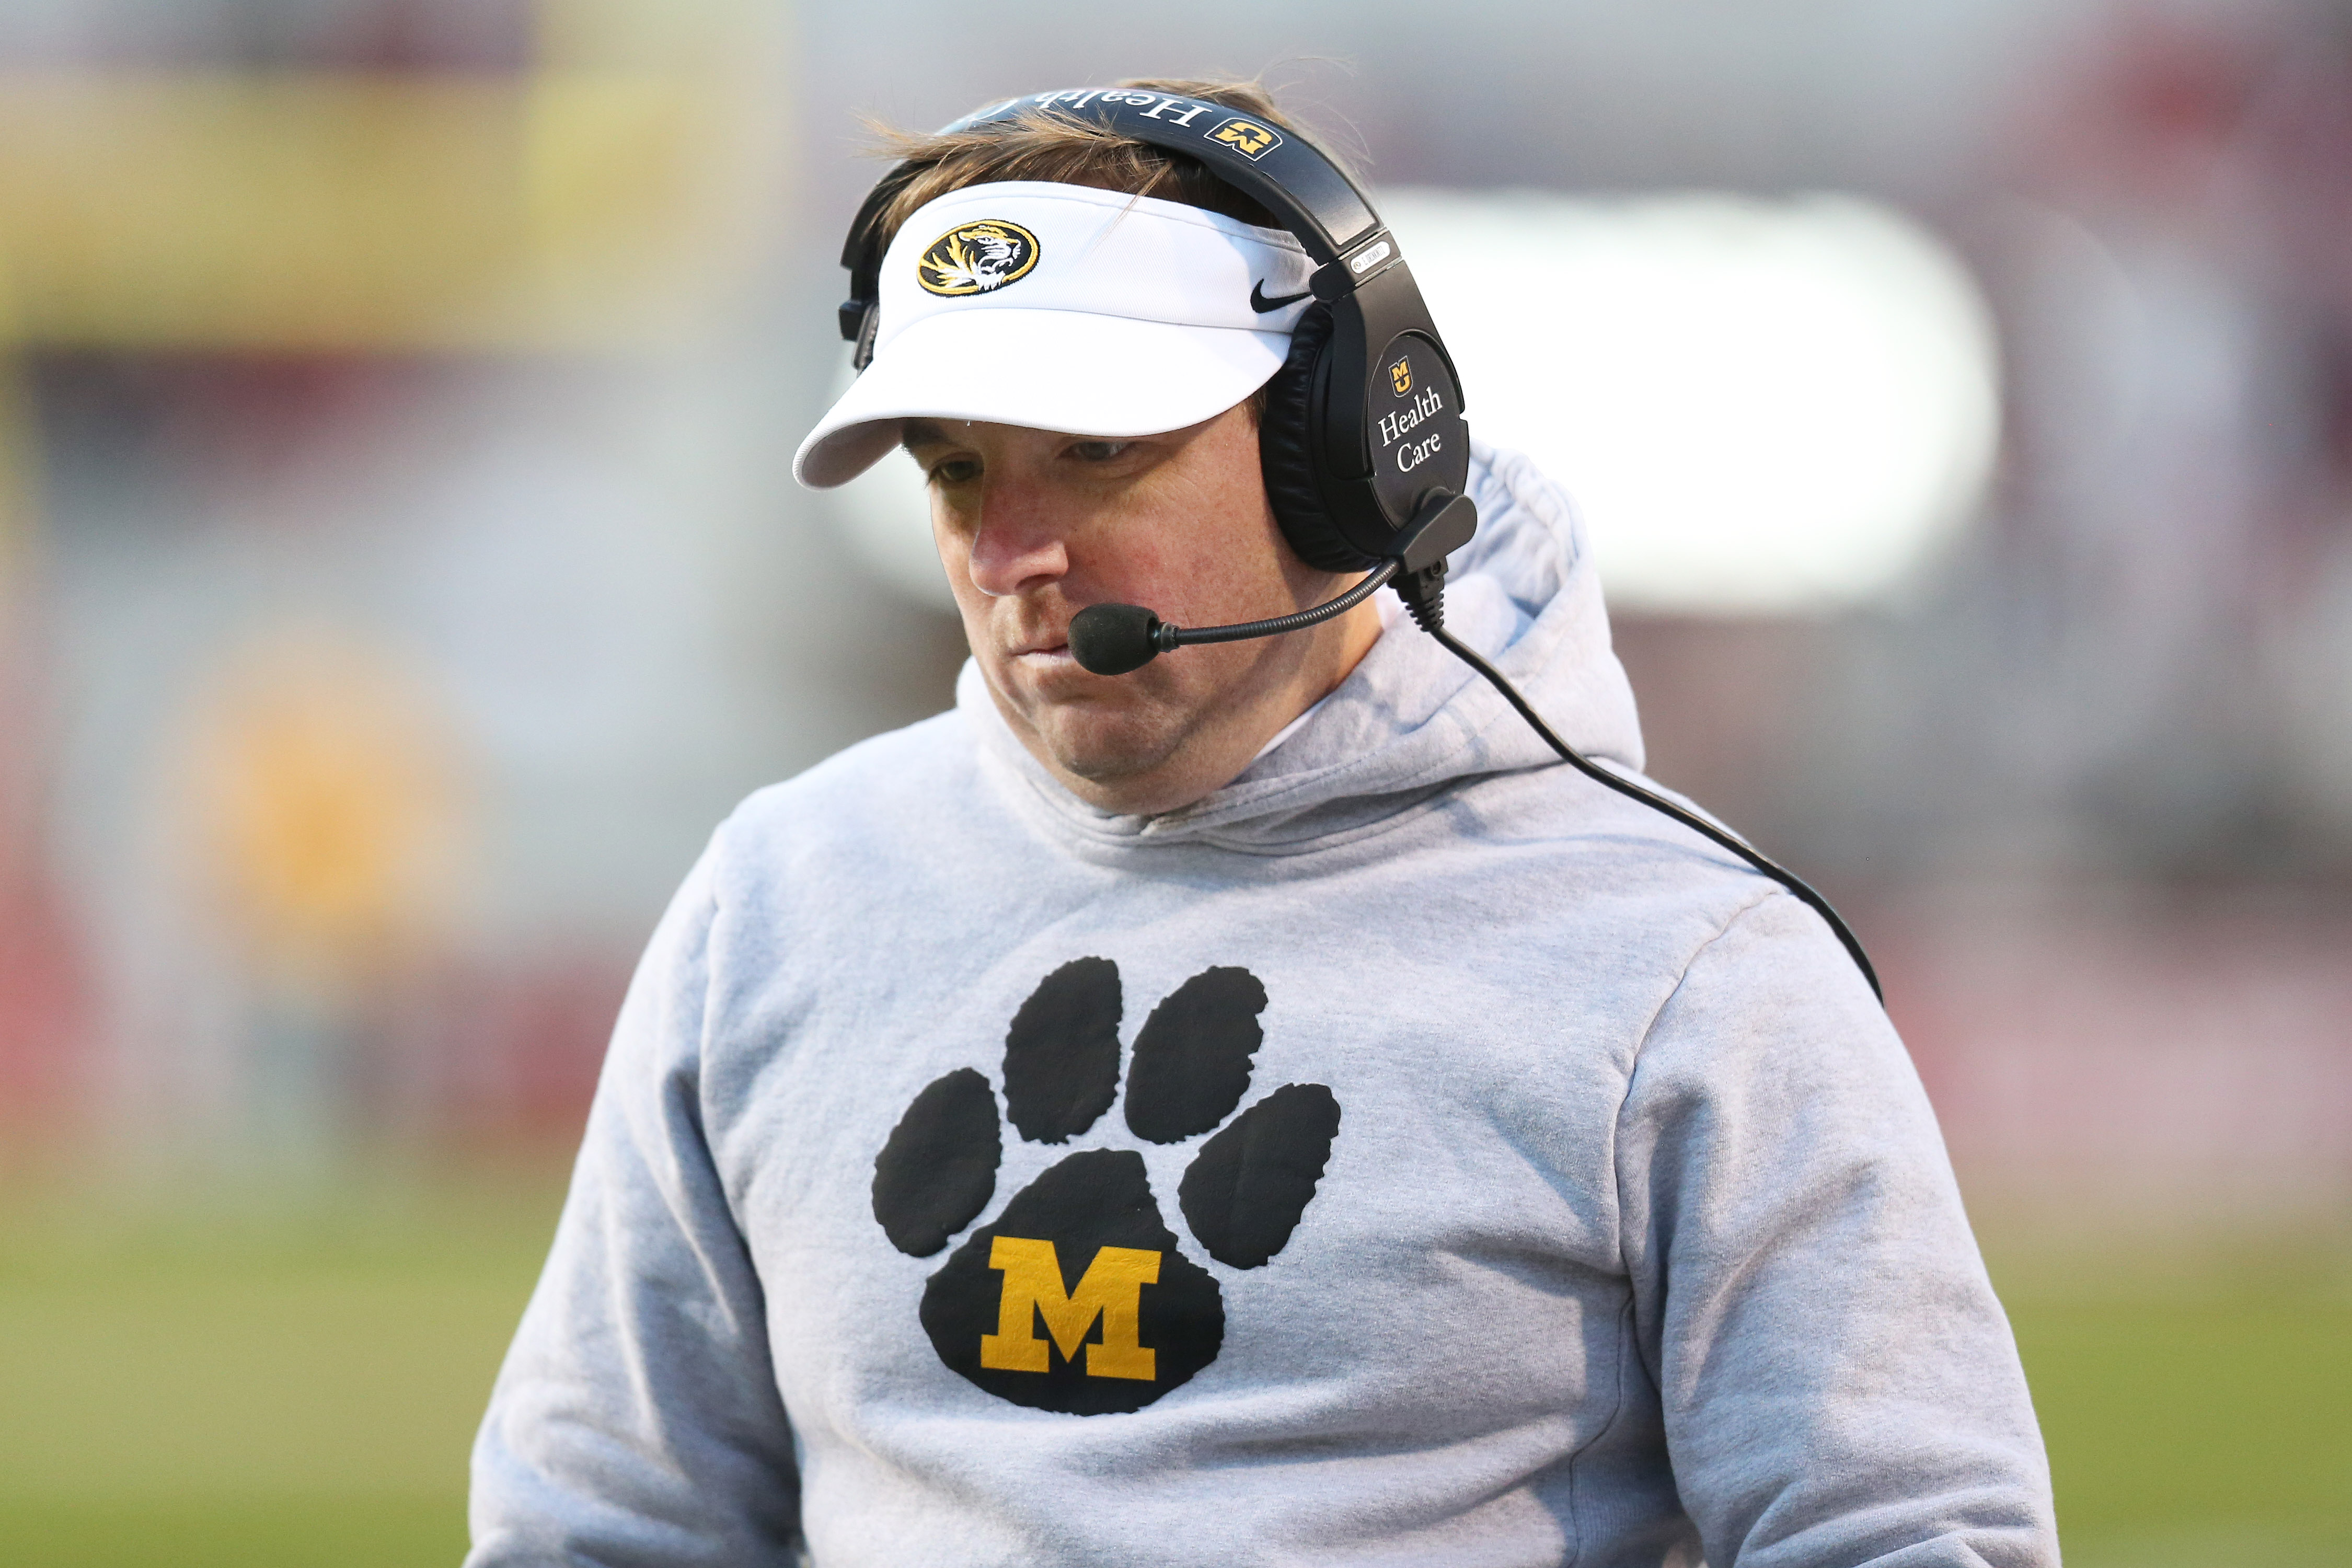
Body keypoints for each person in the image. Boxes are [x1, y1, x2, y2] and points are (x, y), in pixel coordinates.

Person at [466, 78, 2059, 1567]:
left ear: (1350, 456)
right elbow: (600, 1522)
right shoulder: (782, 899)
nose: (1010, 552)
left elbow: (1909, 1534)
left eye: (1096, 454)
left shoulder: (1690, 967)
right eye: (956, 473)